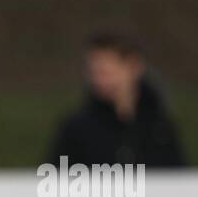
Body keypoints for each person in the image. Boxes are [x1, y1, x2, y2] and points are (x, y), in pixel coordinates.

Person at [48, 32, 187, 167]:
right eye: (93, 72)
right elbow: (54, 181)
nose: (99, 81)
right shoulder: (76, 129)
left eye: (106, 72)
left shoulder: (159, 128)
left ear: (134, 67)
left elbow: (178, 180)